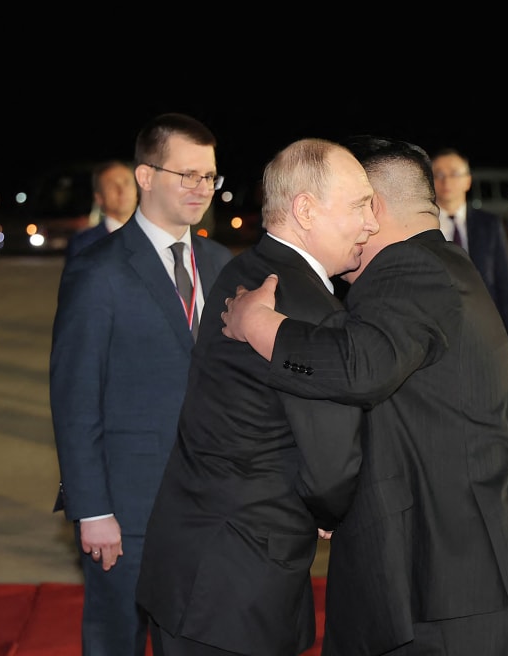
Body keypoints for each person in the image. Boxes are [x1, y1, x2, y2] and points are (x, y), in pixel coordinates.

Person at [221, 136, 508, 656]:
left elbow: (357, 368)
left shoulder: (412, 270)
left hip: (453, 581)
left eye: (353, 205)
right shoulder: (444, 266)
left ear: (373, 209)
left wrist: (261, 324)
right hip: (464, 573)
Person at [136, 137, 377, 656]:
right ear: (306, 210)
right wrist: (333, 510)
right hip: (237, 581)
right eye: (360, 205)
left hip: (190, 558)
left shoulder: (242, 271)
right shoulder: (310, 310)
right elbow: (331, 466)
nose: (371, 223)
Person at [49, 112, 233, 656]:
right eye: (187, 175)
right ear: (146, 177)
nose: (202, 189)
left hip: (211, 508)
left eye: (210, 177)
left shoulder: (221, 264)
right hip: (127, 514)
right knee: (116, 642)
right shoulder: (99, 269)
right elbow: (75, 398)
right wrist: (93, 509)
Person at [430, 148, 508, 449]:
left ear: (468, 181)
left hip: (482, 340)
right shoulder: (421, 227)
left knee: (482, 416)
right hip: (436, 341)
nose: (446, 181)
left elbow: (504, 288)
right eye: (439, 174)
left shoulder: (488, 224)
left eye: (454, 174)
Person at [65, 159, 138, 258]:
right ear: (99, 198)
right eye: (112, 185)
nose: (121, 190)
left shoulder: (157, 235)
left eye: (127, 183)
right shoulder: (85, 245)